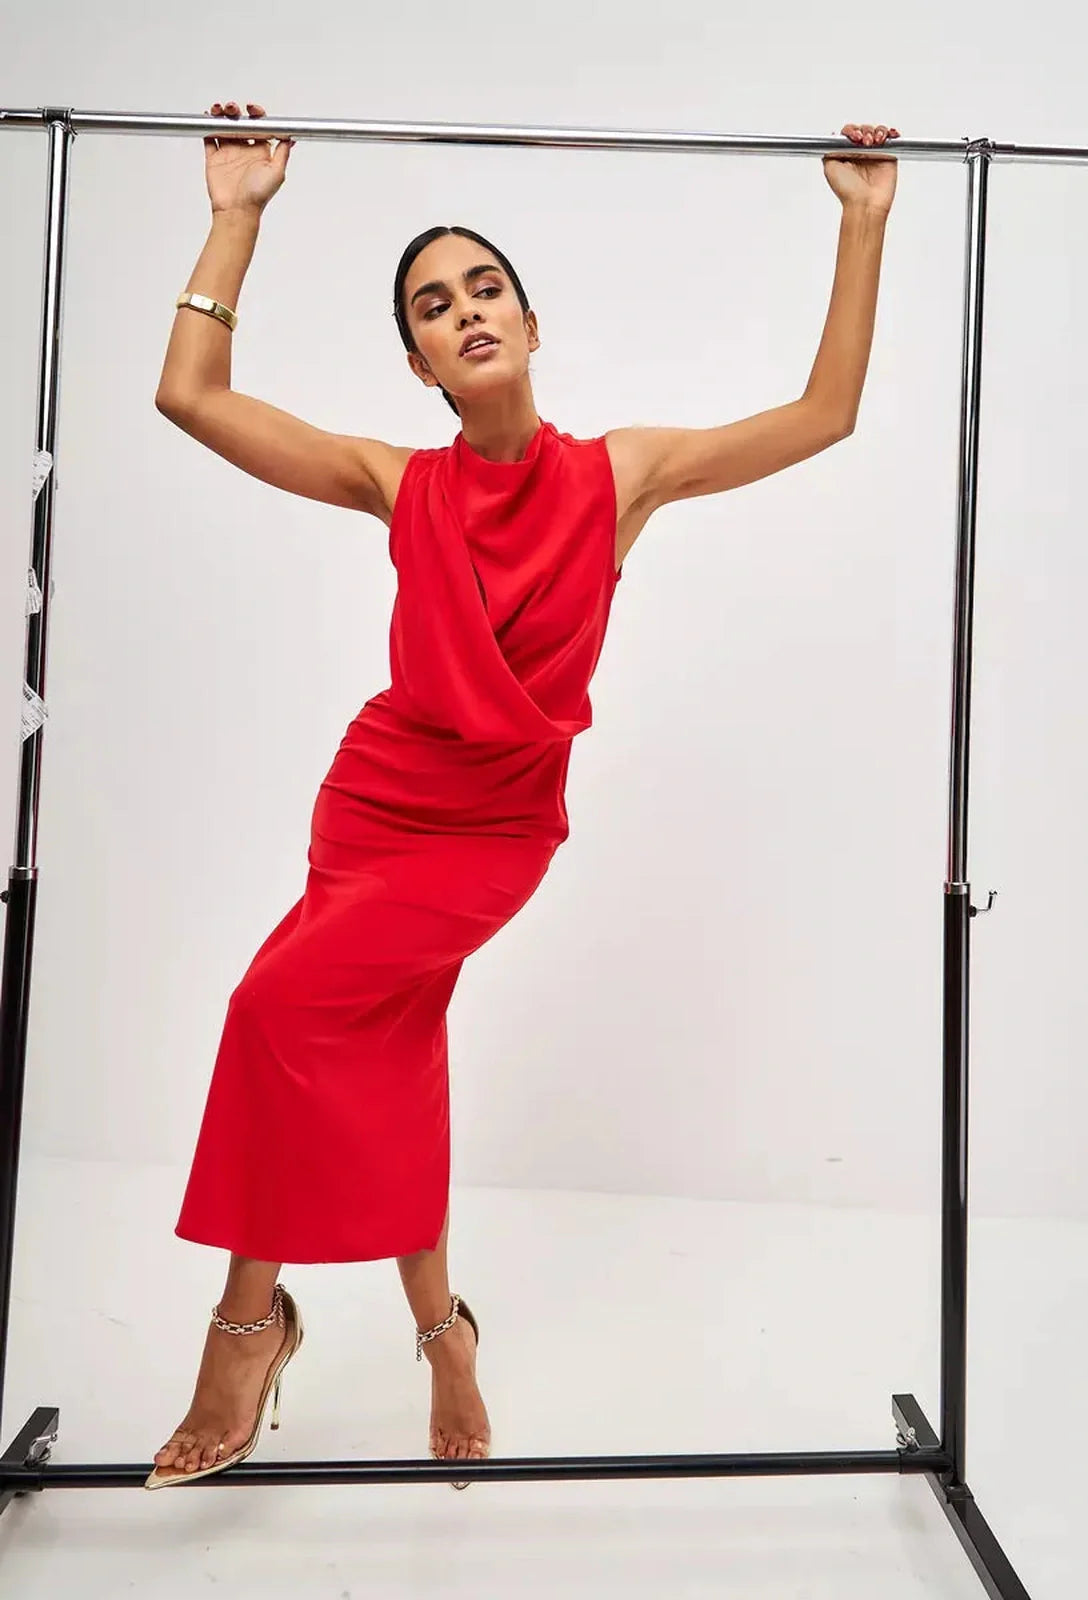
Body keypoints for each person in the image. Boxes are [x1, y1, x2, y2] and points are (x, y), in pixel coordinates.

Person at [145, 100, 899, 1491]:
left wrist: (862, 224)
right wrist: (236, 216)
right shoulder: (396, 482)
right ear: (420, 361)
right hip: (374, 803)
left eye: (485, 288)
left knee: (274, 1008)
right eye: (434, 307)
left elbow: (825, 414)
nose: (466, 312)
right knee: (378, 1052)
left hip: (492, 834)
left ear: (531, 323)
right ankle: (442, 1331)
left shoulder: (624, 475)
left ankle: (250, 1325)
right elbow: (190, 397)